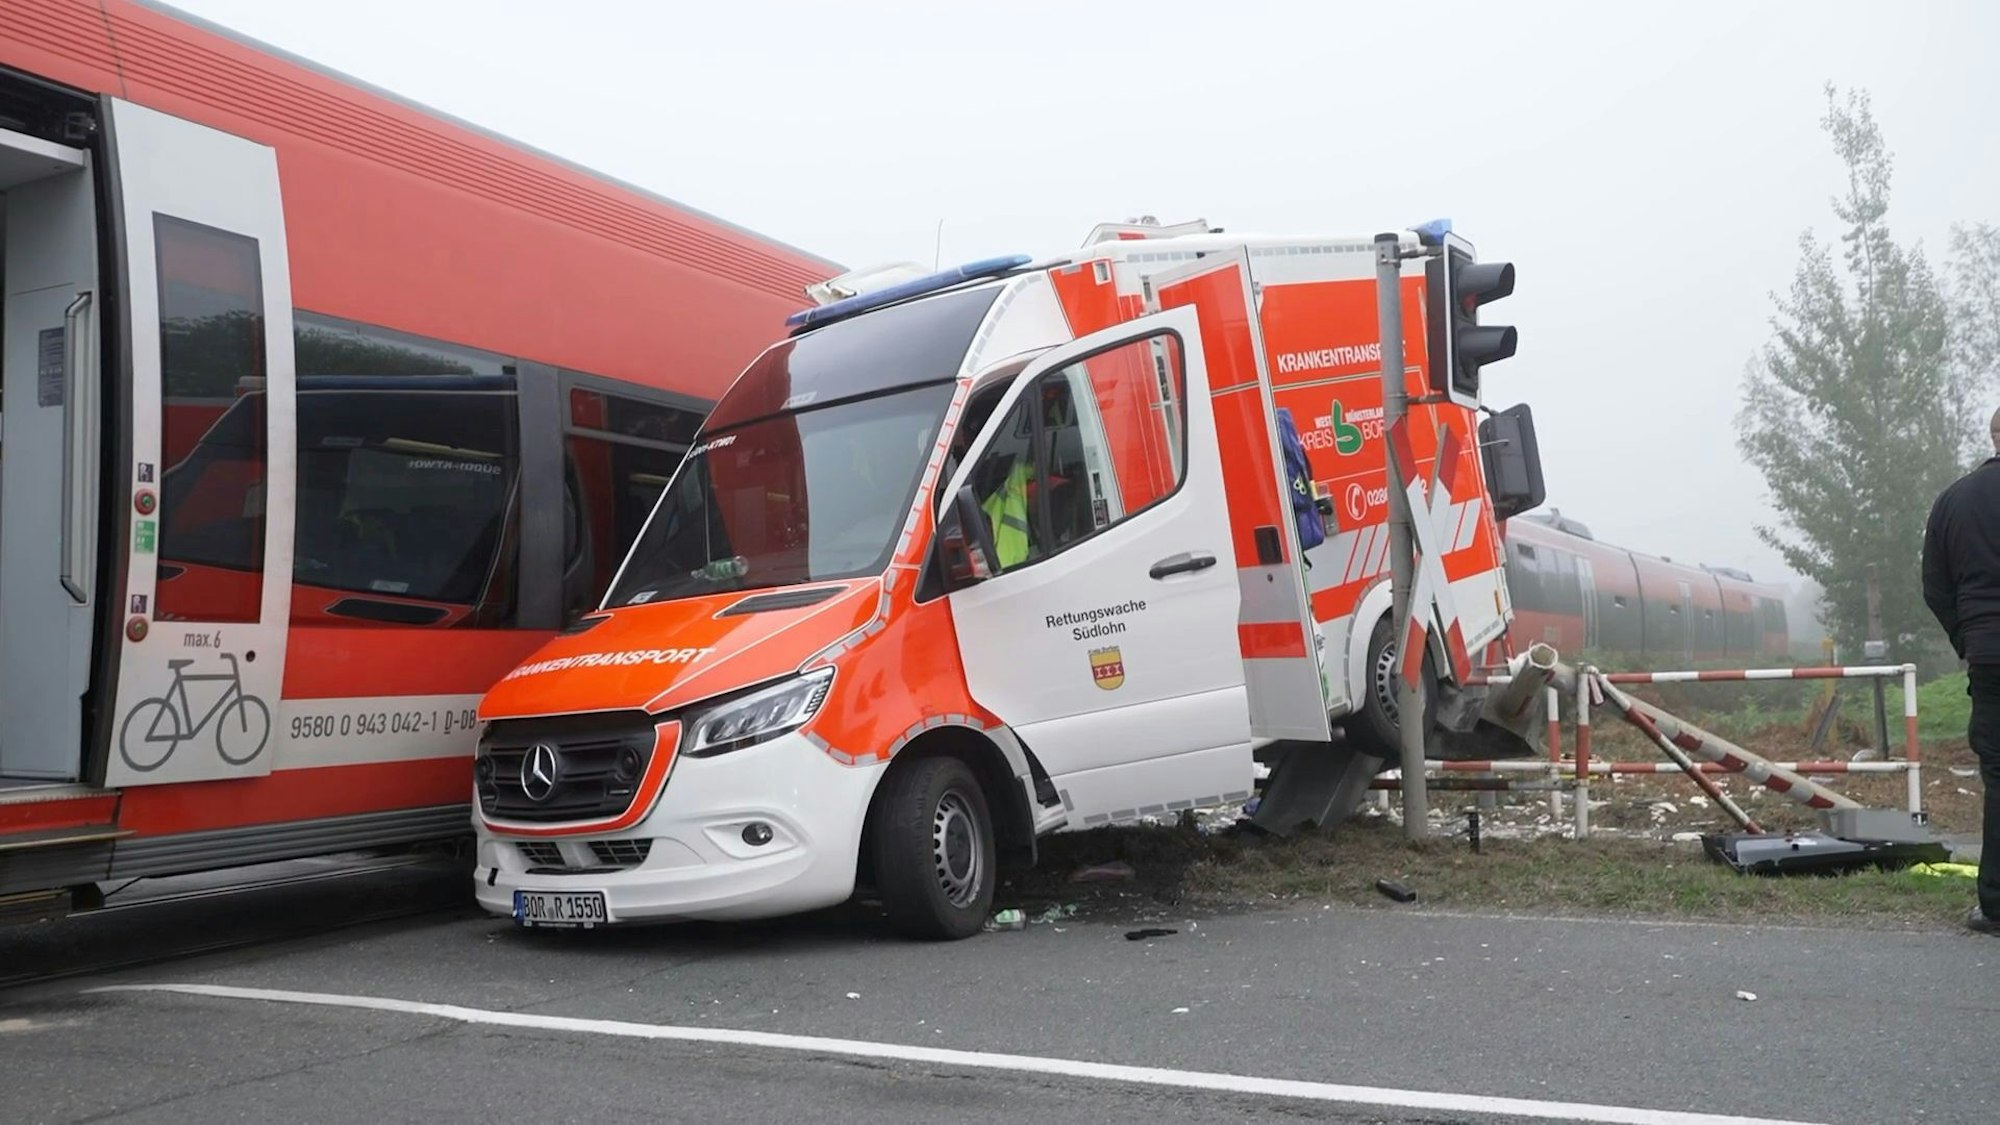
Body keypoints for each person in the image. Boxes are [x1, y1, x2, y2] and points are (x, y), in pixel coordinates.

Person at [1920, 404, 2000, 936]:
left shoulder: (1955, 499)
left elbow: (1935, 585)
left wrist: (1967, 638)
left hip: (1991, 652)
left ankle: (1994, 907)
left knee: (1998, 777)